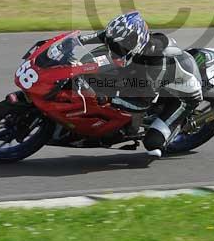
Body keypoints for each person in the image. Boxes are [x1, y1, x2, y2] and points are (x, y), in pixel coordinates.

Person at [80, 11, 203, 157]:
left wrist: (109, 98)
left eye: (120, 46)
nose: (114, 49)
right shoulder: (130, 40)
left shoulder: (155, 65)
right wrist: (76, 40)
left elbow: (142, 103)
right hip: (151, 78)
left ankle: (169, 132)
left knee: (153, 143)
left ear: (135, 42)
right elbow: (105, 36)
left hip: (182, 95)